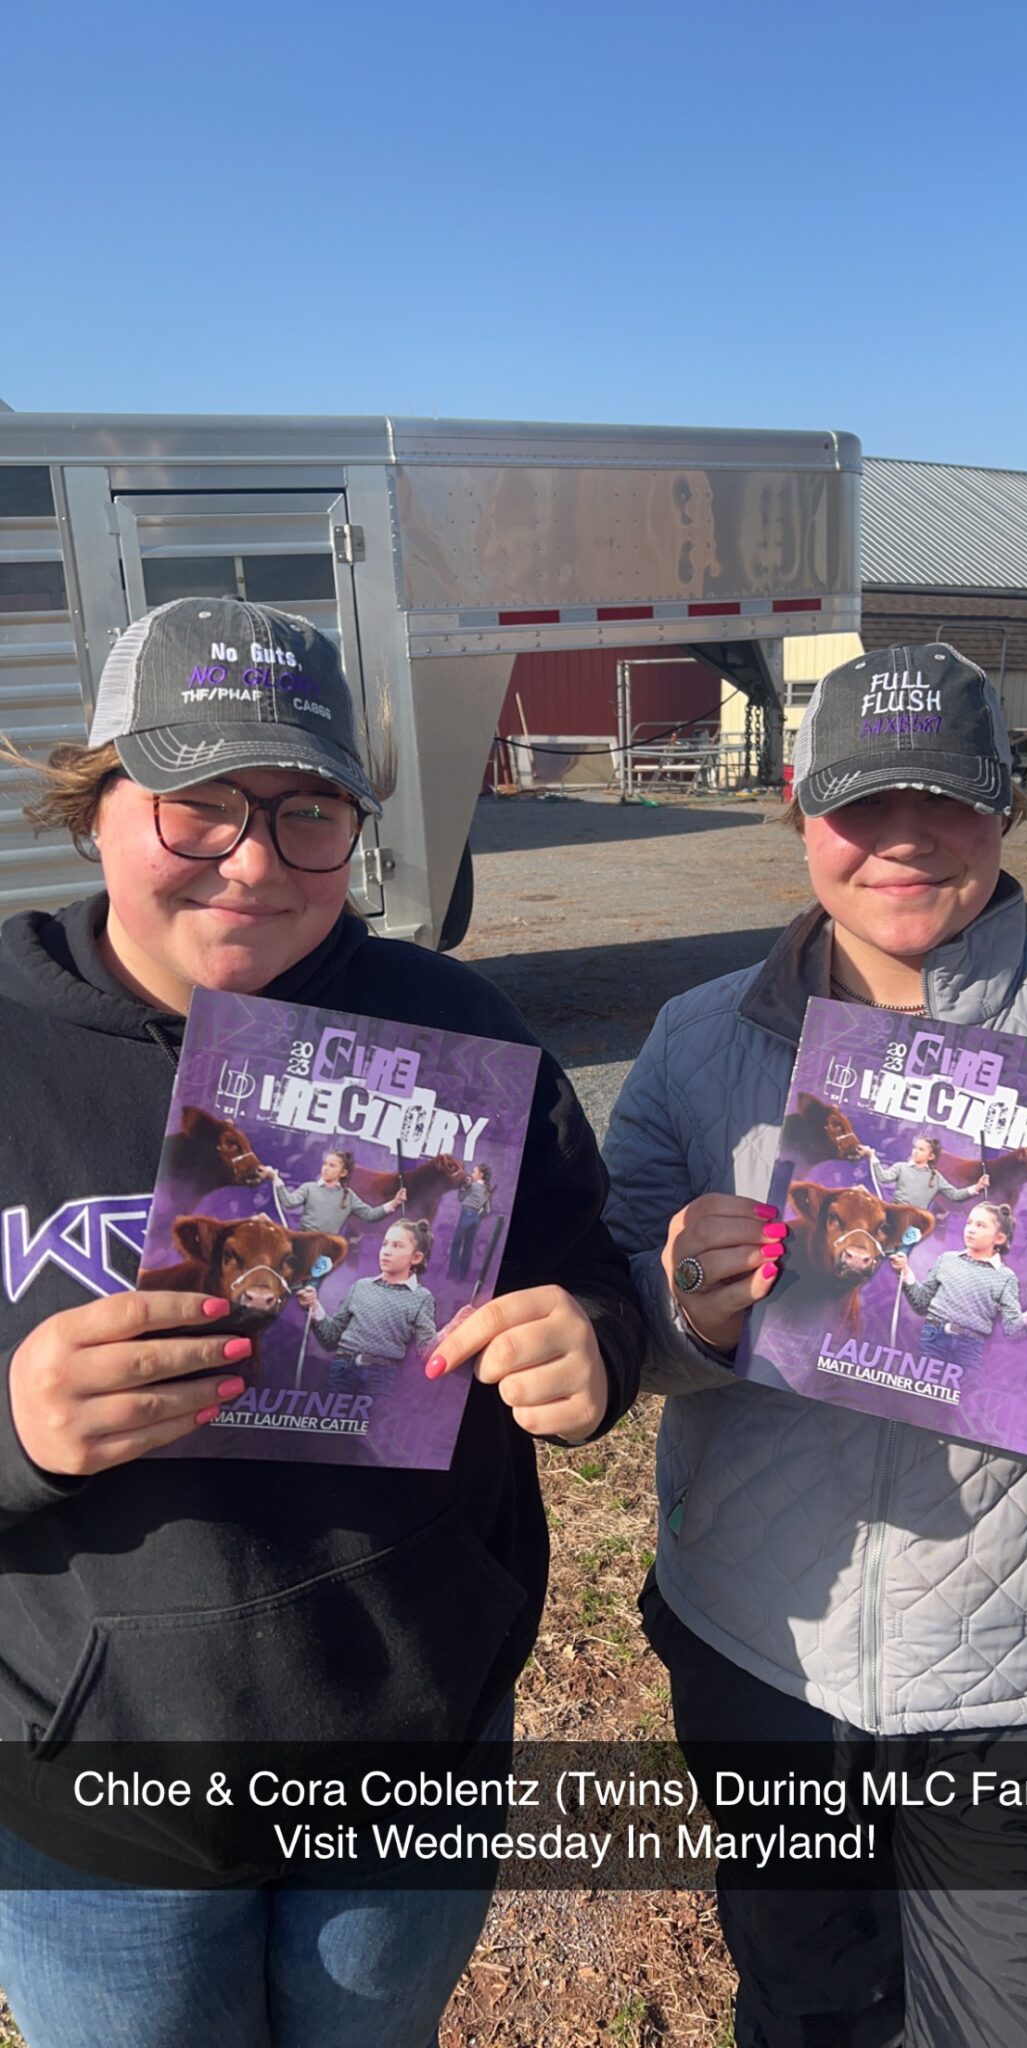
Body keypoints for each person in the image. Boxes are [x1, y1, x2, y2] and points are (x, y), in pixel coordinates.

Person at [0, 595, 642, 2048]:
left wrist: (588, 1346)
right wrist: (17, 1427)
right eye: (197, 806)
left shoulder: (459, 1030)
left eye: (305, 810)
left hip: (399, 1747)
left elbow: (586, 1271)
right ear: (98, 803)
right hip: (95, 1789)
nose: (251, 860)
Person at [602, 642, 1027, 2048]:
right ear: (798, 806)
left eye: (949, 800)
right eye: (861, 802)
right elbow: (605, 1316)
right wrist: (682, 1308)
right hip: (761, 1643)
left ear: (1006, 808)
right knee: (805, 2010)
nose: (904, 838)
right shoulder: (688, 1041)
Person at [890, 1199, 1027, 1373]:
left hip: (970, 1348)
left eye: (981, 1225)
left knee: (960, 1395)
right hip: (933, 1337)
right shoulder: (947, 1260)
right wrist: (904, 1270)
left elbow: (1013, 1330)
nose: (971, 1229)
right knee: (921, 1388)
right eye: (969, 1223)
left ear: (999, 1238)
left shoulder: (1005, 1278)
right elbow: (920, 1303)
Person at [301, 1217, 438, 1395]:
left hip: (382, 1376)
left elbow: (426, 1351)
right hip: (343, 1369)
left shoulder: (421, 1298)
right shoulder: (361, 1287)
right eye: (385, 1244)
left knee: (373, 1422)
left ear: (416, 1257)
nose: (386, 1252)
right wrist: (314, 1305)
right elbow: (331, 1337)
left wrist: (450, 1329)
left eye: (397, 1246)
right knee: (336, 1420)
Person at [260, 1145, 407, 1232]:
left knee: (311, 1282)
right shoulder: (309, 1188)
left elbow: (369, 1214)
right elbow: (289, 1202)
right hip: (302, 1243)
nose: (326, 1169)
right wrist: (275, 1179)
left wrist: (393, 1203)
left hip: (326, 1250)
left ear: (343, 1173)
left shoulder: (348, 1196)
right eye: (325, 1164)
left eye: (332, 1166)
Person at [861, 1130, 989, 1207]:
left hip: (914, 1223)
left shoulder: (935, 1177)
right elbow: (883, 1178)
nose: (916, 1151)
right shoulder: (901, 1167)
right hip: (894, 1214)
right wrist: (872, 1156)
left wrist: (977, 1187)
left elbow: (955, 1195)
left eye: (921, 1149)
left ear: (931, 1156)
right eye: (915, 1148)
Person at [447, 1163, 493, 1279]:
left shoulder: (472, 1186)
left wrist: (462, 1188)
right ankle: (463, 1275)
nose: (472, 1174)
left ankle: (452, 1273)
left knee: (456, 1244)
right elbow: (487, 1210)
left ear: (481, 1175)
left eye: (474, 1172)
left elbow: (460, 1198)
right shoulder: (486, 1190)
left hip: (466, 1214)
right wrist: (477, 1216)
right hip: (476, 1218)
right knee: (468, 1246)